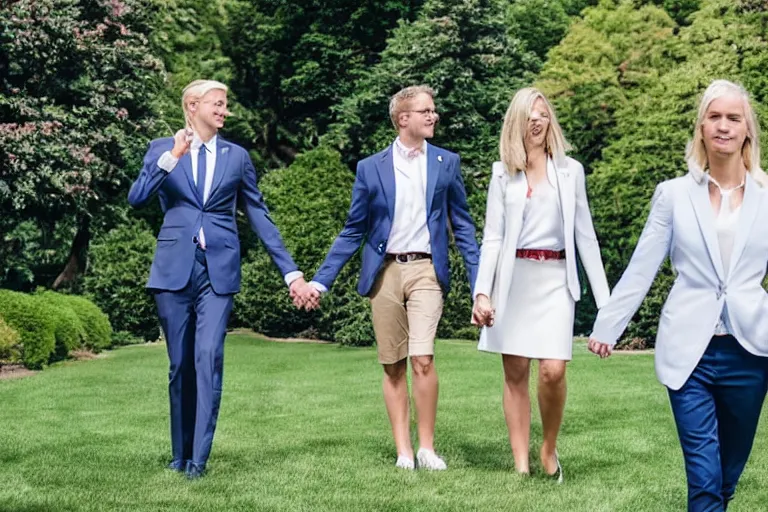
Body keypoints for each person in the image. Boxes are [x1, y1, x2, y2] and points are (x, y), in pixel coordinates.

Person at [589, 79, 768, 511]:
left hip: (751, 353)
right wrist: (608, 325)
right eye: (714, 117)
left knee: (727, 477)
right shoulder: (673, 195)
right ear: (701, 127)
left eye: (733, 117)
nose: (723, 126)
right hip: (690, 353)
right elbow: (642, 266)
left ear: (748, 130)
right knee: (704, 480)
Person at [128, 79, 312, 479]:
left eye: (226, 104)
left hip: (218, 271)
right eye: (218, 103)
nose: (225, 111)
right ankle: (179, 455)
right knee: (180, 365)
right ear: (192, 105)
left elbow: (259, 215)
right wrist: (173, 155)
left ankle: (198, 461)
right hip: (173, 269)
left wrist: (291, 273)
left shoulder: (237, 157)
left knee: (207, 356)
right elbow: (138, 197)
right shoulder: (163, 148)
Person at [299, 85, 479, 470]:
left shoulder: (447, 163)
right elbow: (353, 230)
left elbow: (462, 227)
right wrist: (320, 281)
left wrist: (480, 284)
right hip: (385, 272)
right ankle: (404, 452)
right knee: (393, 364)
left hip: (427, 271)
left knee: (424, 358)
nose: (434, 116)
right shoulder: (370, 168)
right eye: (425, 111)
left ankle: (427, 448)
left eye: (433, 111)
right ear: (403, 119)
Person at [471, 87, 609, 481]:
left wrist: (607, 304)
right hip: (512, 282)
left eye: (543, 114)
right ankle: (520, 464)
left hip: (555, 281)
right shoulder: (503, 172)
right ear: (516, 122)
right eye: (530, 115)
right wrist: (483, 291)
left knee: (552, 370)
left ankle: (548, 448)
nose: (537, 120)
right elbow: (493, 237)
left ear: (550, 122)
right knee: (514, 372)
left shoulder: (571, 170)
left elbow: (586, 236)